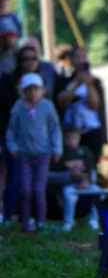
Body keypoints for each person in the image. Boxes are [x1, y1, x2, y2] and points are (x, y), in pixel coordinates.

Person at [5, 73, 62, 232]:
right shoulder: (18, 107)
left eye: (36, 89)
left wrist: (56, 148)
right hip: (24, 155)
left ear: (42, 90)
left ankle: (41, 222)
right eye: (28, 90)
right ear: (23, 91)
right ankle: (25, 222)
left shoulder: (47, 106)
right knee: (26, 190)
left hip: (43, 154)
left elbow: (55, 129)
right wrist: (13, 147)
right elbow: (11, 130)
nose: (33, 93)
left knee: (39, 190)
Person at [50, 126, 100, 231]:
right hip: (70, 184)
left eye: (74, 138)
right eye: (68, 138)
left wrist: (87, 181)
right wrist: (66, 165)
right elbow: (54, 167)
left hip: (86, 183)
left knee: (96, 191)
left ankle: (93, 219)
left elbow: (91, 167)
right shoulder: (60, 153)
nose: (71, 141)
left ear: (79, 138)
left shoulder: (85, 151)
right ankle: (69, 222)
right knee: (69, 195)